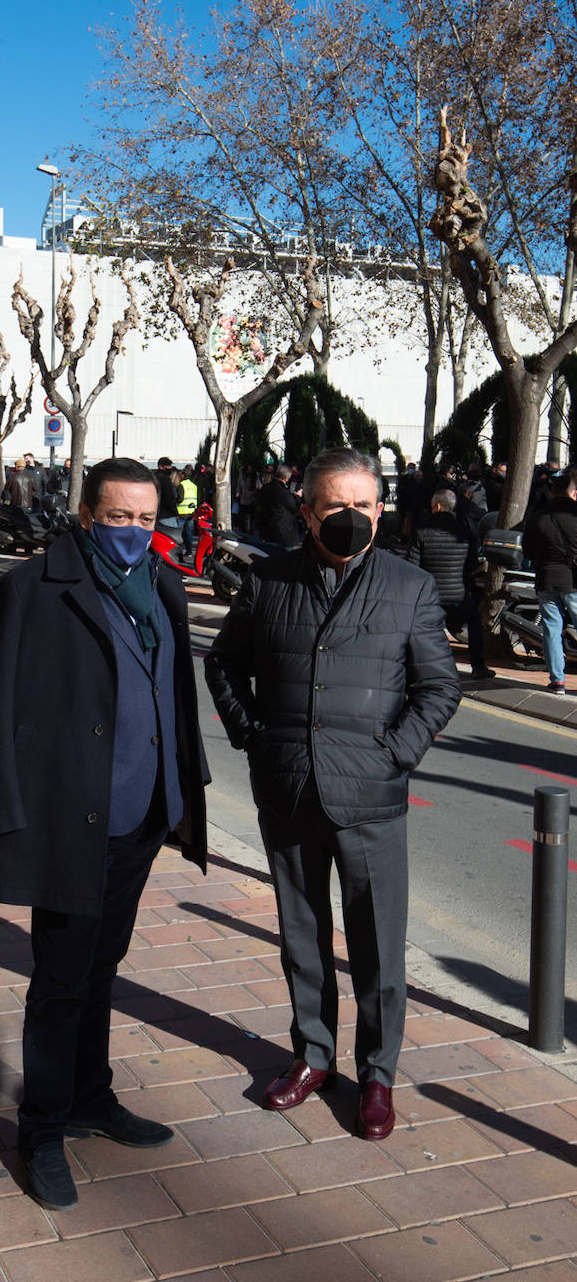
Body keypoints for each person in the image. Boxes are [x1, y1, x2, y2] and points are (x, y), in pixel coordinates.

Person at [0, 456, 209, 1211]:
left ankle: (90, 1097)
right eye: (119, 518)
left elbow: (173, 693)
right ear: (86, 515)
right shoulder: (32, 588)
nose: (136, 532)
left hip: (142, 813)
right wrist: (4, 816)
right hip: (70, 817)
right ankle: (40, 1128)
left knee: (105, 964)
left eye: (147, 518)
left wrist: (184, 788)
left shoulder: (164, 585)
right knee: (61, 977)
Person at [205, 447, 460, 1141]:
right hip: (288, 790)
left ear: (380, 509)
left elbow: (439, 685)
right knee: (302, 938)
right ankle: (313, 1057)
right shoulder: (269, 581)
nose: (352, 517)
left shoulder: (408, 587)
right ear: (307, 510)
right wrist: (256, 741)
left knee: (378, 947)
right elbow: (224, 664)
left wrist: (396, 753)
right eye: (336, 506)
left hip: (370, 797)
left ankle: (377, 1076)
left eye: (364, 505)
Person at [407, 488, 494, 680]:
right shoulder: (465, 531)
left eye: (431, 506)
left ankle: (429, 668)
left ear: (437, 506)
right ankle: (478, 666)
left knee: (426, 630)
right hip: (458, 593)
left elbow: (412, 567)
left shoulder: (421, 531)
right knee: (474, 622)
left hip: (430, 595)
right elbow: (472, 564)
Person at [522, 467, 577, 694]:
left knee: (551, 630)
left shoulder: (538, 517)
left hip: (546, 579)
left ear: (552, 492)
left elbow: (528, 551)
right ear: (573, 493)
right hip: (573, 580)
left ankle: (558, 681)